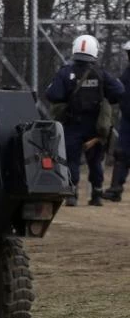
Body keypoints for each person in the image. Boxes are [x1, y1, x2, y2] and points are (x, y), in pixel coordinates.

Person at [45, 35, 124, 206]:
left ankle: (72, 194)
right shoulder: (101, 73)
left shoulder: (65, 72)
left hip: (73, 124)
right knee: (95, 161)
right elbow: (119, 91)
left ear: (75, 49)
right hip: (96, 126)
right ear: (94, 51)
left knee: (71, 159)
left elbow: (53, 95)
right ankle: (96, 194)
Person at [102, 40, 130, 201]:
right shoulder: (127, 74)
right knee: (121, 154)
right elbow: (117, 91)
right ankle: (115, 188)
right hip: (127, 120)